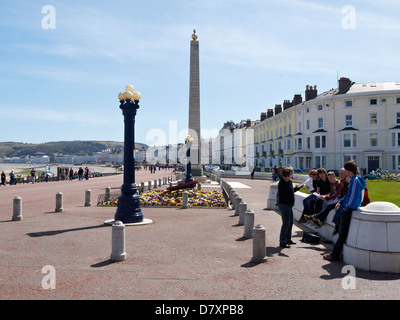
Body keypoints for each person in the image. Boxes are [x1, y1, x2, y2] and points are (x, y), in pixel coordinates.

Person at [324, 160, 366, 261]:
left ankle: (334, 255)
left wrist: (345, 207)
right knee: (342, 233)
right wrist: (341, 202)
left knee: (342, 234)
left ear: (348, 170)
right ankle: (335, 253)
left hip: (348, 209)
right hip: (347, 208)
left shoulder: (355, 180)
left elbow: (352, 197)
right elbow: (349, 195)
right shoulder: (356, 179)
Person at [277, 166, 301, 248]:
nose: (292, 175)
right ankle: (282, 241)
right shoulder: (282, 183)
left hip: (289, 205)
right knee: (286, 223)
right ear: (287, 174)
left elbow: (291, 191)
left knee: (290, 223)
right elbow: (287, 193)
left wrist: (298, 188)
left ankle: (288, 239)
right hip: (284, 205)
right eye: (291, 173)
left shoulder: (289, 182)